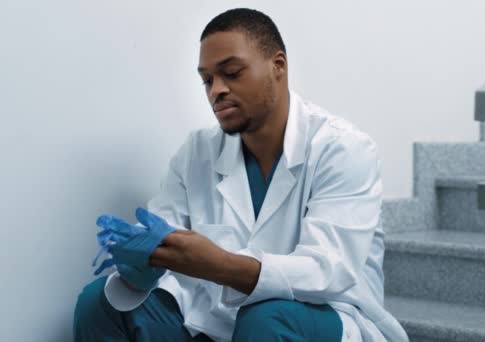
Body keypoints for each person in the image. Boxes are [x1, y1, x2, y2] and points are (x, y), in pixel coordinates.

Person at [73, 8, 408, 342]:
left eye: (231, 73)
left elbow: (328, 271)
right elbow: (165, 234)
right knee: (100, 302)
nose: (216, 90)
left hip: (325, 316)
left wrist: (219, 264)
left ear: (278, 67)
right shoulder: (197, 152)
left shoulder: (343, 149)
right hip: (224, 321)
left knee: (266, 318)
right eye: (207, 80)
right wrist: (145, 261)